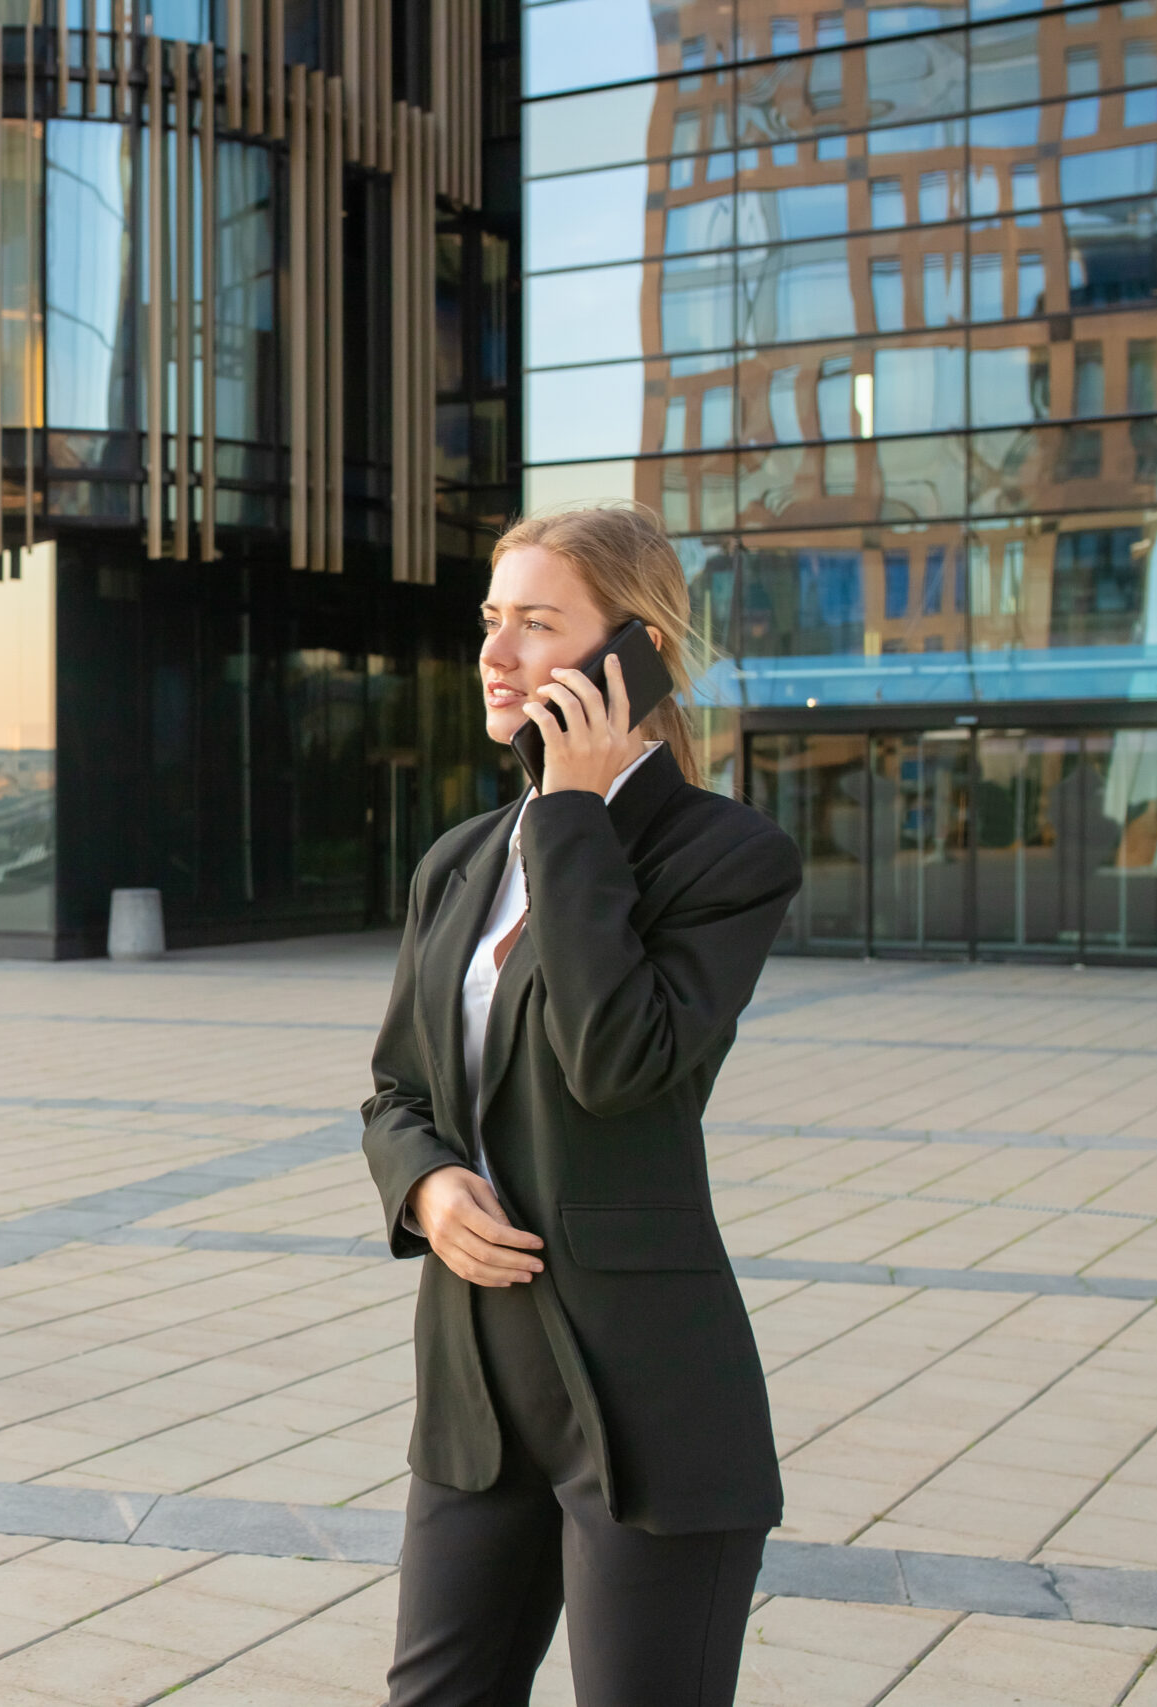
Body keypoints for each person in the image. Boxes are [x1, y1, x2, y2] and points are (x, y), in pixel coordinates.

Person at [361, 503, 802, 1707]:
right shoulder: (457, 862)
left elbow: (614, 1062)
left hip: (645, 1408)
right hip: (474, 1399)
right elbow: (398, 1090)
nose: (496, 657)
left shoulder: (725, 858)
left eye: (536, 625)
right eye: (490, 623)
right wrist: (426, 1184)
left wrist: (569, 811)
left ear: (633, 651)